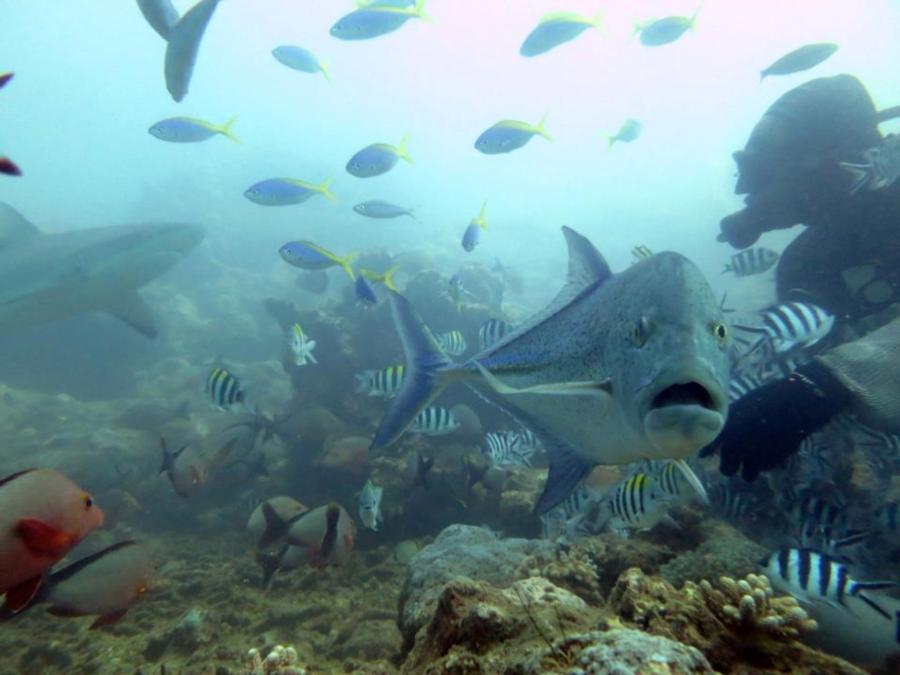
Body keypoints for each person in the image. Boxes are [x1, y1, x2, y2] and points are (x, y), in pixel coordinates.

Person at [705, 74, 900, 480]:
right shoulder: (808, 265)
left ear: (827, 168)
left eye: (767, 172)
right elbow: (801, 355)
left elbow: (831, 379)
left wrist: (831, 382)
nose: (747, 192)